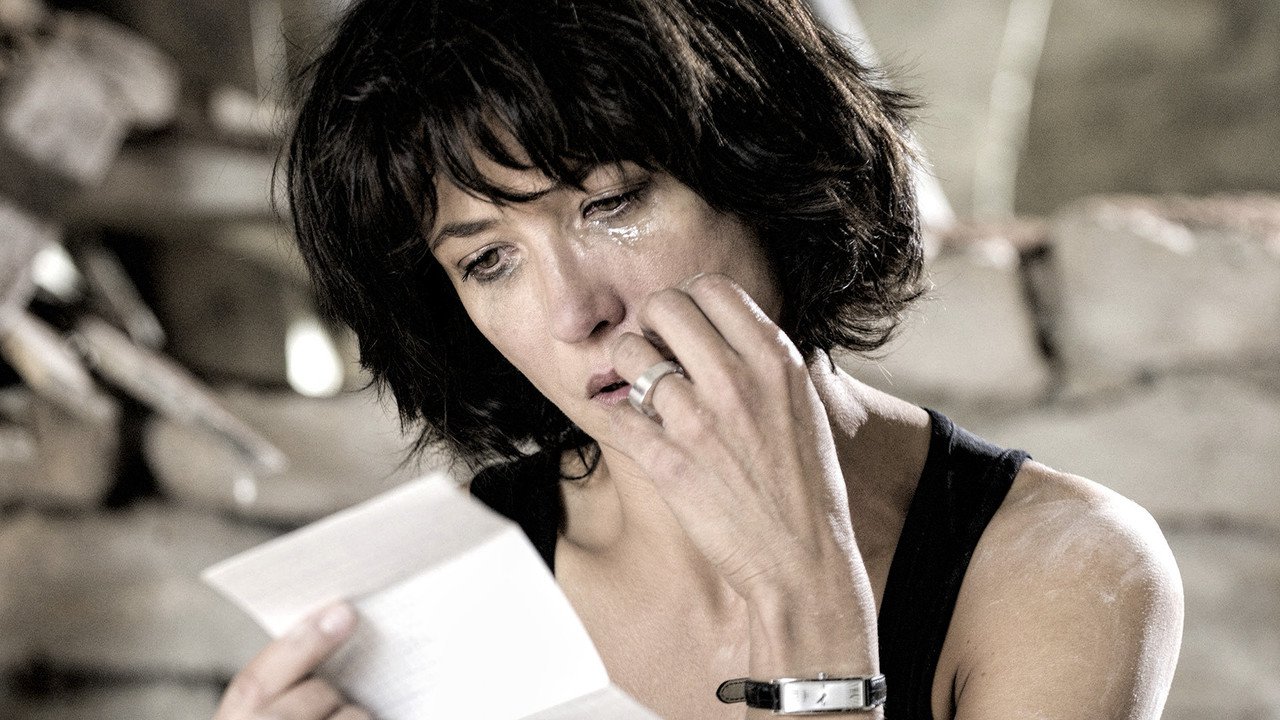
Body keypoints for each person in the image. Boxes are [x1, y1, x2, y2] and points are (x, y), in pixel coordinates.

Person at [213, 1, 1183, 718]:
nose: (574, 313)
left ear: (764, 172)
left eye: (610, 204)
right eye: (488, 260)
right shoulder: (436, 592)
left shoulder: (1065, 570)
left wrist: (805, 600)